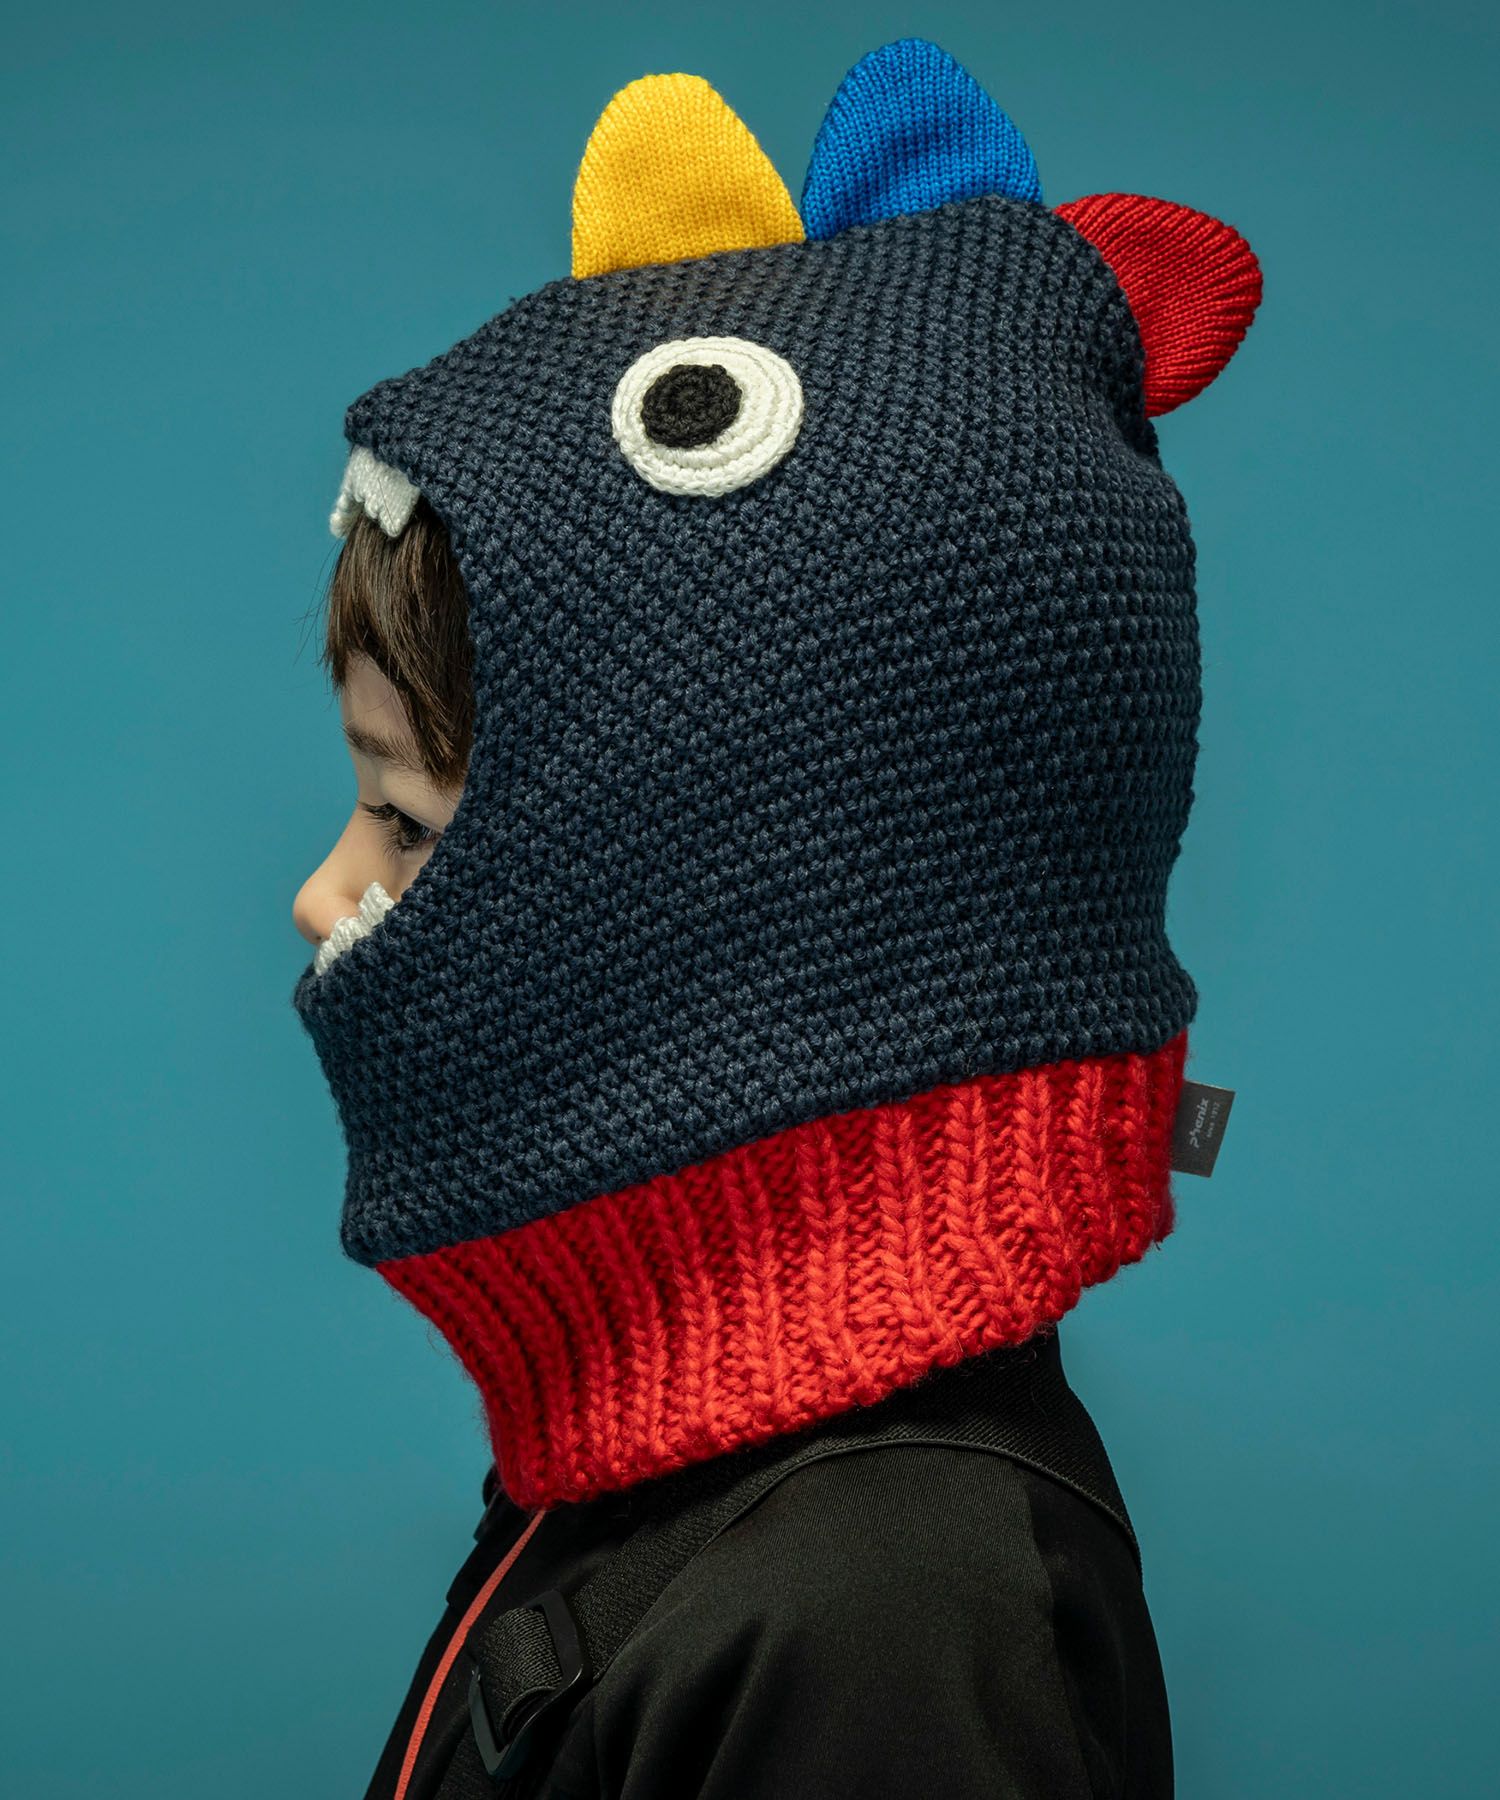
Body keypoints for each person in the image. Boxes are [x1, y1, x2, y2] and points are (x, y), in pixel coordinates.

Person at [291, 37, 1260, 1799]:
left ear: (715, 913)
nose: (320, 895)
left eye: (406, 819)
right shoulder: (663, 1471)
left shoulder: (888, 1613)